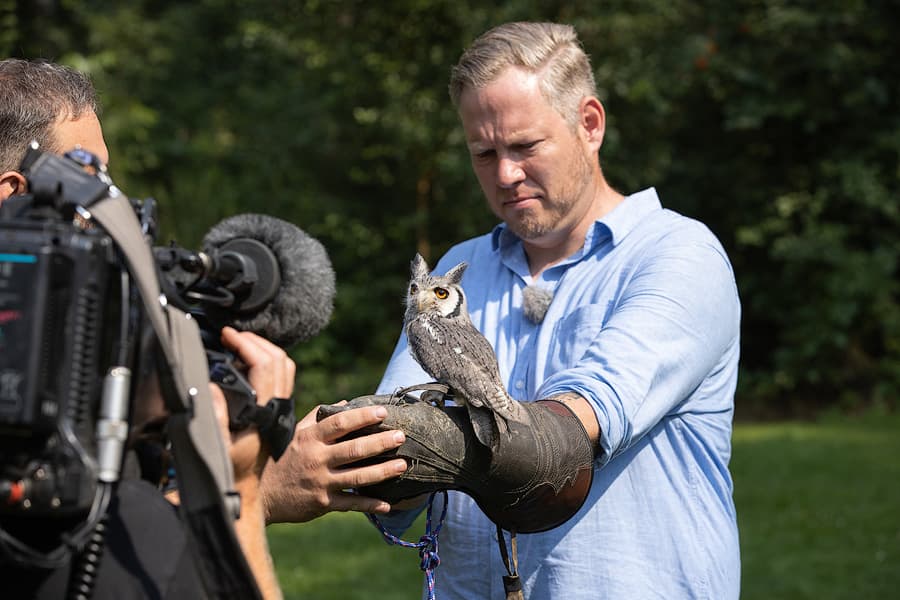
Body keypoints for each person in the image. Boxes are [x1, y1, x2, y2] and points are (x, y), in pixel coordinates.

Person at [0, 58, 409, 596]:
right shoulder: (130, 528)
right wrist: (247, 489)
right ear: (15, 195)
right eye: (90, 179)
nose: (113, 206)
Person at [369, 22, 742, 599]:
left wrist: (430, 435)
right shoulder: (457, 272)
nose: (505, 174)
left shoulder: (678, 255)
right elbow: (391, 463)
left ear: (589, 124)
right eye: (484, 153)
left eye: (524, 146)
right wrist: (360, 457)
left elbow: (574, 430)